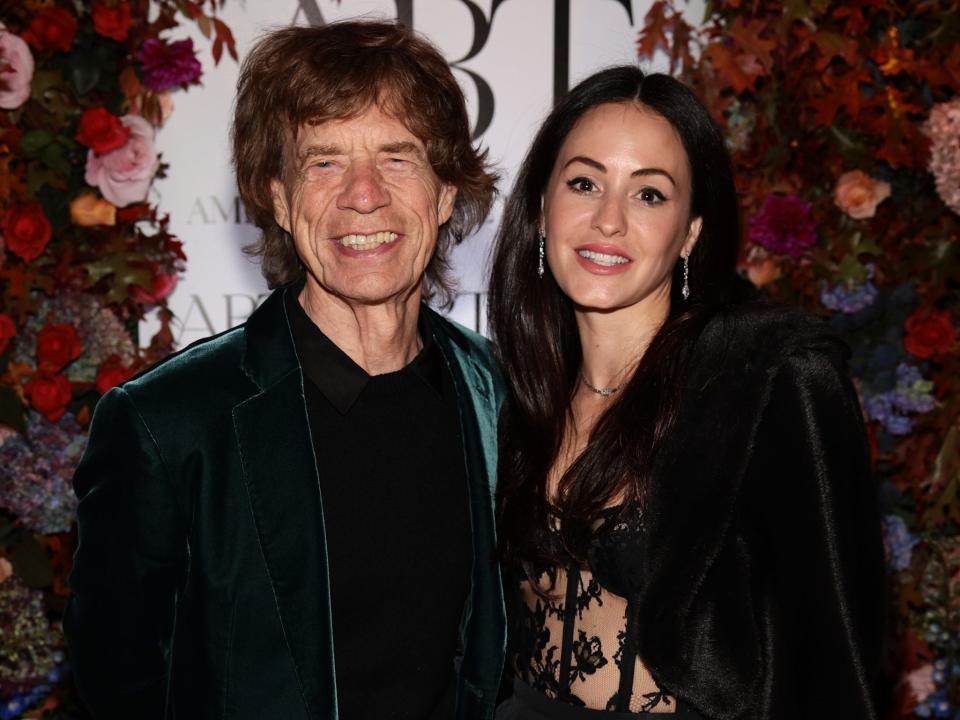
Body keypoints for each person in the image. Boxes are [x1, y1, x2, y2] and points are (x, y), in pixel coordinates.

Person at [64, 21, 507, 720]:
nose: (364, 195)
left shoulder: (498, 397)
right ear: (275, 194)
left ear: (447, 189)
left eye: (397, 158)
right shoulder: (169, 426)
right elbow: (118, 685)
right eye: (324, 162)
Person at [487, 66, 884, 719]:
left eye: (649, 195)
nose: (608, 220)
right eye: (584, 183)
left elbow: (832, 662)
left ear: (691, 233)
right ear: (540, 209)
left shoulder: (767, 384)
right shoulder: (514, 395)